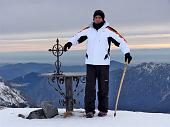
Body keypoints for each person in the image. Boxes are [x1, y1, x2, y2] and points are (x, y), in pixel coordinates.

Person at [63, 10, 132, 118]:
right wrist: (69, 43)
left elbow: (121, 41)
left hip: (103, 63)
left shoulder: (108, 31)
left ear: (103, 19)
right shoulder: (88, 30)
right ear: (93, 18)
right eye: (96, 17)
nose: (98, 19)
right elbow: (77, 36)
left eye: (100, 17)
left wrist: (127, 53)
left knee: (103, 87)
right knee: (90, 88)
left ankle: (103, 110)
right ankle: (89, 111)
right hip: (90, 63)